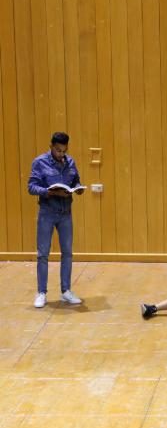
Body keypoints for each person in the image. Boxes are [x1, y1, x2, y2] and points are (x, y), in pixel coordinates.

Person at [27, 132, 85, 308]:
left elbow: (76, 181)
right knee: (43, 254)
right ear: (51, 146)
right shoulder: (39, 162)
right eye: (58, 150)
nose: (61, 154)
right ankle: (41, 293)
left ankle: (66, 291)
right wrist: (50, 192)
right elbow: (31, 187)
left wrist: (78, 189)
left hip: (66, 213)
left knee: (67, 252)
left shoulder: (70, 162)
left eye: (64, 150)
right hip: (47, 212)